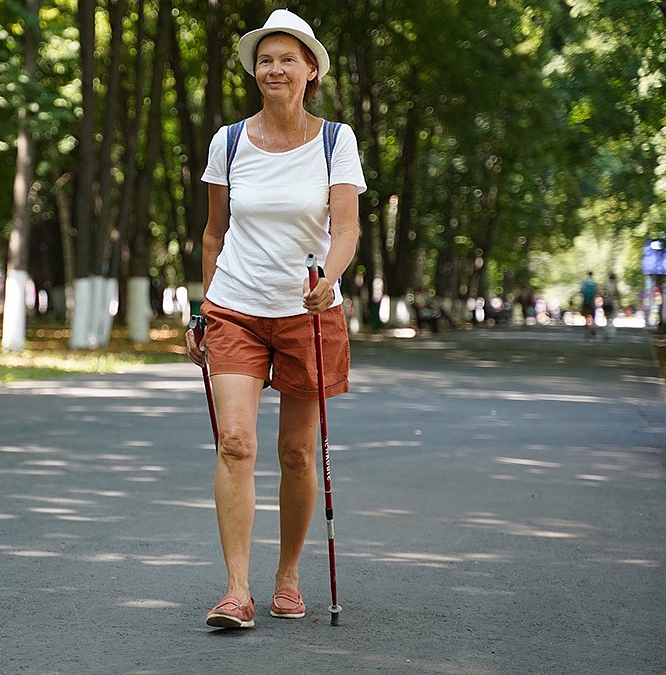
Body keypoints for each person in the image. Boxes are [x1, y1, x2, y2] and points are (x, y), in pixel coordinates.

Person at [185, 9, 366, 630]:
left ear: (310, 70)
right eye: (266, 59)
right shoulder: (229, 141)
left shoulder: (336, 141)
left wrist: (330, 279)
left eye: (288, 58)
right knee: (235, 442)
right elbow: (214, 234)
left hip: (307, 314)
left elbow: (347, 228)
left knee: (294, 452)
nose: (275, 68)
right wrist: (204, 311)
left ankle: (287, 577)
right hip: (236, 307)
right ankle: (237, 589)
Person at [580, 271, 598, 340]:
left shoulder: (584, 282)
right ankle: (593, 329)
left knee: (586, 318)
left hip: (585, 302)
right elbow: (596, 292)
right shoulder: (595, 283)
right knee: (593, 318)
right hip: (592, 303)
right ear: (592, 275)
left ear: (587, 275)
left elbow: (581, 291)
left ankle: (586, 334)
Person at [603, 273, 620, 340]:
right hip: (614, 302)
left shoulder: (606, 285)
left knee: (607, 319)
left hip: (607, 303)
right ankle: (611, 334)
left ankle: (607, 332)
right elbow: (617, 294)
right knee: (612, 319)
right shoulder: (615, 285)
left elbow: (604, 294)